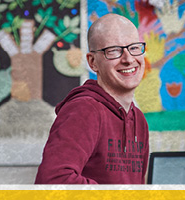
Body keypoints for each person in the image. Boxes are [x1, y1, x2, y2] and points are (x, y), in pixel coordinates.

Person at [35, 14, 149, 184]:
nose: (128, 59)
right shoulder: (84, 109)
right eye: (114, 50)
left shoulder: (139, 120)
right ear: (93, 62)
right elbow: (52, 181)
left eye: (134, 48)